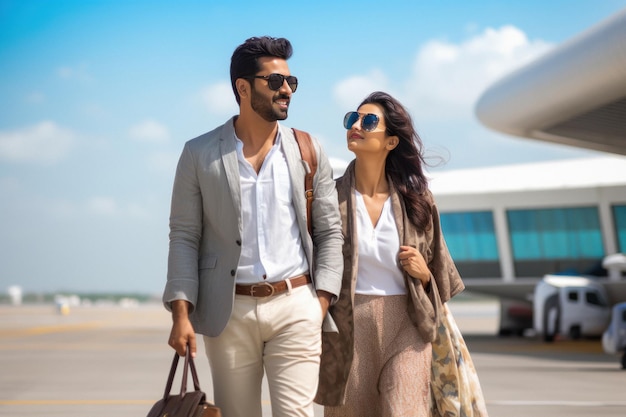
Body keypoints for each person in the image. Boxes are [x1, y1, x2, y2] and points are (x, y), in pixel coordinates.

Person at [163, 36, 343, 417]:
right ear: (243, 88)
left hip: (296, 305)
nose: (286, 91)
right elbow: (184, 236)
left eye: (291, 82)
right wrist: (182, 313)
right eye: (275, 82)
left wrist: (320, 301)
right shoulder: (199, 153)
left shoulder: (309, 150)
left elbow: (329, 231)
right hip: (229, 313)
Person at [315, 91, 466, 417]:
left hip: (407, 325)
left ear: (391, 142)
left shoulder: (418, 200)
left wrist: (423, 273)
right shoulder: (328, 196)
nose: (356, 125)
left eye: (368, 121)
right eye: (352, 119)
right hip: (347, 327)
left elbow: (441, 274)